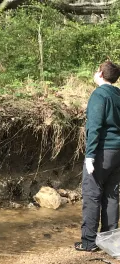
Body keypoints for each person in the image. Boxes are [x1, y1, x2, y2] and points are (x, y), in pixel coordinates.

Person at [75, 61, 120, 252]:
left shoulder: (99, 94)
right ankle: (108, 241)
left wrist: (90, 156)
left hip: (102, 152)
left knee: (92, 195)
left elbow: (94, 126)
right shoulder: (118, 95)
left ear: (101, 74)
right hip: (118, 153)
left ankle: (89, 242)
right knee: (111, 196)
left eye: (96, 70)